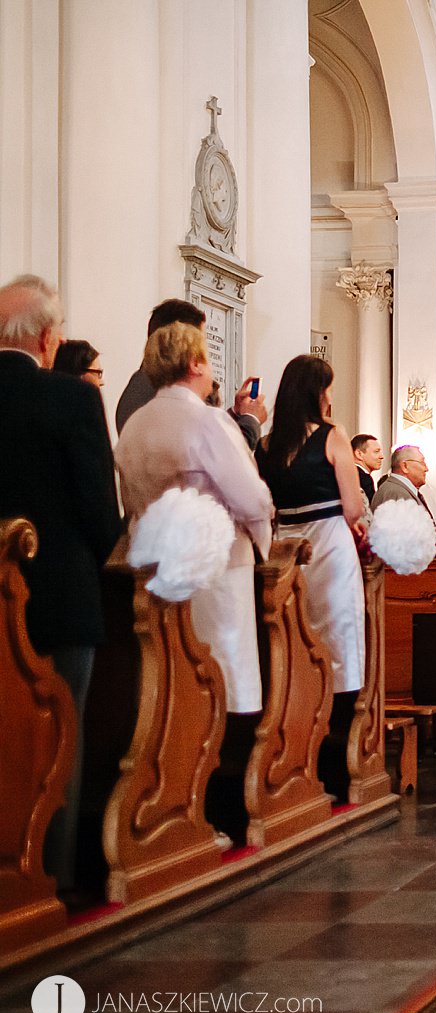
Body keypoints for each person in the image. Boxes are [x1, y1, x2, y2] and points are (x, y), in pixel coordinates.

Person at [117, 322, 274, 843]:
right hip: (216, 570)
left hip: (156, 568)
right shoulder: (206, 422)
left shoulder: (137, 423)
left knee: (173, 687)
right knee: (227, 682)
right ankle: (222, 811)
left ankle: (172, 805)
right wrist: (261, 533)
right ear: (195, 365)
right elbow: (250, 497)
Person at [0, 275, 120, 892]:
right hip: (62, 600)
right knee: (58, 742)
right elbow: (99, 510)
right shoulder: (72, 400)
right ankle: (54, 882)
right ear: (49, 339)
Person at [257, 354, 369, 801]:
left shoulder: (266, 444)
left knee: (293, 644)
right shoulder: (331, 436)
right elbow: (354, 507)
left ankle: (294, 749)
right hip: (328, 544)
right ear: (316, 393)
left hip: (285, 547)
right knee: (340, 643)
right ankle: (337, 764)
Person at [116, 299, 268, 447]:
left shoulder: (140, 385)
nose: (203, 353)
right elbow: (217, 452)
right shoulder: (168, 394)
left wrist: (235, 413)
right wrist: (251, 419)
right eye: (201, 342)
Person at [372, 445, 436, 557]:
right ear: (405, 466)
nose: (426, 469)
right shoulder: (395, 493)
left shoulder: (400, 490)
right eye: (422, 463)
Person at [351, 433, 383, 504]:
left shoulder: (349, 474)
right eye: (376, 451)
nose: (381, 456)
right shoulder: (363, 478)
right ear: (359, 454)